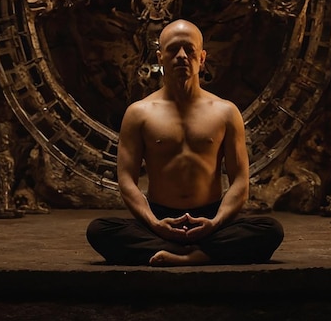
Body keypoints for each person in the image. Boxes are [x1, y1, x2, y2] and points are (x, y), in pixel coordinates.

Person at [86, 19, 284, 266]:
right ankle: (205, 254)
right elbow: (126, 180)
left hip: (211, 219)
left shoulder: (225, 112)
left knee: (270, 229)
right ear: (160, 58)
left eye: (189, 50)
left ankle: (188, 254)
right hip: (159, 219)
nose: (181, 56)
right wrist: (155, 224)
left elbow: (240, 181)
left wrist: (217, 222)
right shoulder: (139, 113)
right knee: (99, 229)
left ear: (202, 58)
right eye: (172, 49)